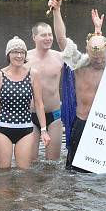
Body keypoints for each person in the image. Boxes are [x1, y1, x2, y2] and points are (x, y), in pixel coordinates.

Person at [49, 0, 106, 171]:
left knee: (105, 172)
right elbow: (61, 40)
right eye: (94, 57)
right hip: (82, 122)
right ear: (87, 50)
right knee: (75, 173)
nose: (97, 61)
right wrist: (57, 12)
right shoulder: (80, 64)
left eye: (101, 57)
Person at [0, 37, 50, 168]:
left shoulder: (33, 74)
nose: (18, 55)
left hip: (26, 129)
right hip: (3, 129)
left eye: (22, 52)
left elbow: (39, 104)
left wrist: (44, 130)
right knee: (3, 172)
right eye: (15, 52)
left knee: (24, 171)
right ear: (8, 54)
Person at [27, 20, 64, 160]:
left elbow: (85, 61)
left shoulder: (59, 57)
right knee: (30, 162)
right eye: (43, 35)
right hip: (31, 114)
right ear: (34, 37)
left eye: (50, 35)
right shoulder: (25, 58)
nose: (48, 38)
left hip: (54, 115)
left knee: (53, 163)